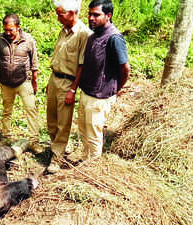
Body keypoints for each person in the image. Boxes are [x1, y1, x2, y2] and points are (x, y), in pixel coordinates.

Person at [77, 0, 130, 160]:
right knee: (84, 131)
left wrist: (115, 89)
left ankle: (92, 168)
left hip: (100, 98)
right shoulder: (94, 36)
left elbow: (125, 68)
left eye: (96, 15)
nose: (91, 18)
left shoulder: (114, 38)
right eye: (90, 14)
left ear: (108, 16)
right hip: (87, 92)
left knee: (94, 135)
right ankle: (85, 161)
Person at [46, 0, 91, 173]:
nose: (58, 18)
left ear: (73, 13)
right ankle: (57, 147)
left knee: (63, 123)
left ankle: (56, 158)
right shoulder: (63, 31)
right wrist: (50, 82)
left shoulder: (83, 34)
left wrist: (73, 89)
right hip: (54, 78)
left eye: (60, 14)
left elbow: (82, 65)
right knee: (51, 119)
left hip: (68, 82)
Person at [0, 14, 42, 153]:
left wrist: (35, 81)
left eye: (11, 30)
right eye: (5, 30)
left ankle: (34, 142)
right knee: (6, 110)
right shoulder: (0, 40)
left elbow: (34, 62)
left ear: (18, 27)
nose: (8, 33)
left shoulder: (28, 39)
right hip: (6, 83)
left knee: (31, 110)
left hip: (24, 82)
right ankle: (6, 137)